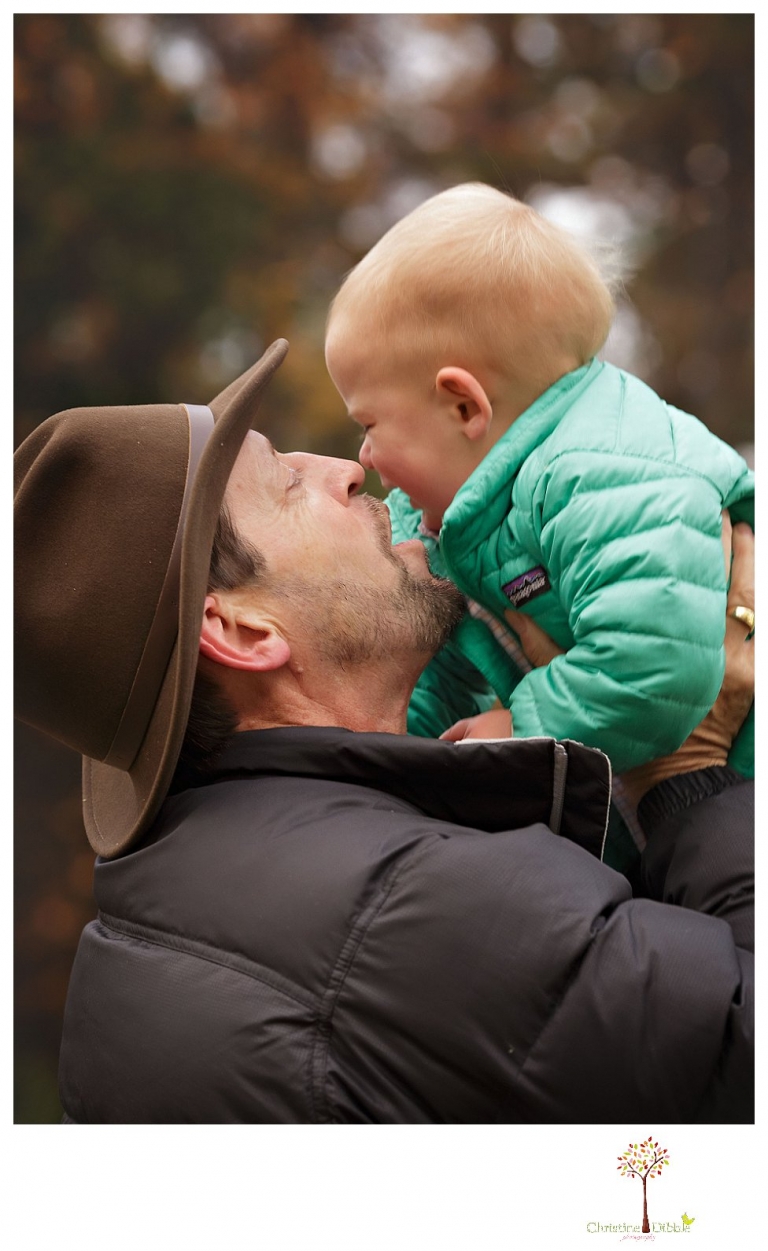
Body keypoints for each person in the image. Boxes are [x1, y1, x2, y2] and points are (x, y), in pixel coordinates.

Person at [14, 342, 754, 1123]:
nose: (349, 467)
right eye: (289, 484)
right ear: (240, 627)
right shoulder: (408, 904)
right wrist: (692, 774)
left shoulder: (162, 916)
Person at [324, 184, 755, 818]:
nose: (363, 458)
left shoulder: (601, 470)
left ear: (464, 406)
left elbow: (654, 662)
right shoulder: (460, 516)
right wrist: (377, 759)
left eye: (369, 425)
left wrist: (523, 728)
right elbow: (442, 674)